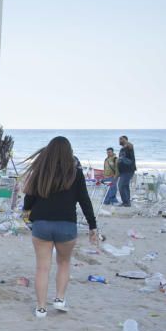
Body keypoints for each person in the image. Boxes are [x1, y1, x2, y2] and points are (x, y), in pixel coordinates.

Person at [21, 136, 98, 318]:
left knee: (42, 268)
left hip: (41, 225)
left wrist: (26, 211)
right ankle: (60, 299)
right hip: (66, 225)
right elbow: (84, 201)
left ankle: (41, 308)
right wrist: (92, 226)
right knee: (63, 263)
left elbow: (29, 198)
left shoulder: (40, 172)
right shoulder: (75, 173)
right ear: (68, 153)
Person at [117, 135, 136, 207]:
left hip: (128, 170)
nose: (119, 141)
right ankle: (127, 202)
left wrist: (126, 141)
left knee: (121, 186)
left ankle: (126, 202)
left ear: (125, 140)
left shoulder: (129, 147)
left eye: (121, 139)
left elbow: (131, 145)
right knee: (125, 186)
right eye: (119, 139)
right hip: (123, 171)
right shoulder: (123, 149)